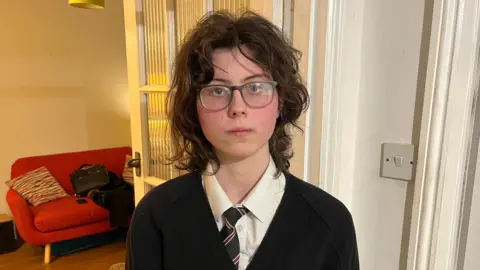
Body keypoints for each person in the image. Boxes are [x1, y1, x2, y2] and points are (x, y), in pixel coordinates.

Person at [126, 10, 359, 270]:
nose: (237, 107)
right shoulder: (156, 216)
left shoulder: (330, 223)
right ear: (194, 106)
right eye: (217, 90)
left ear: (280, 101)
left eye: (255, 87)